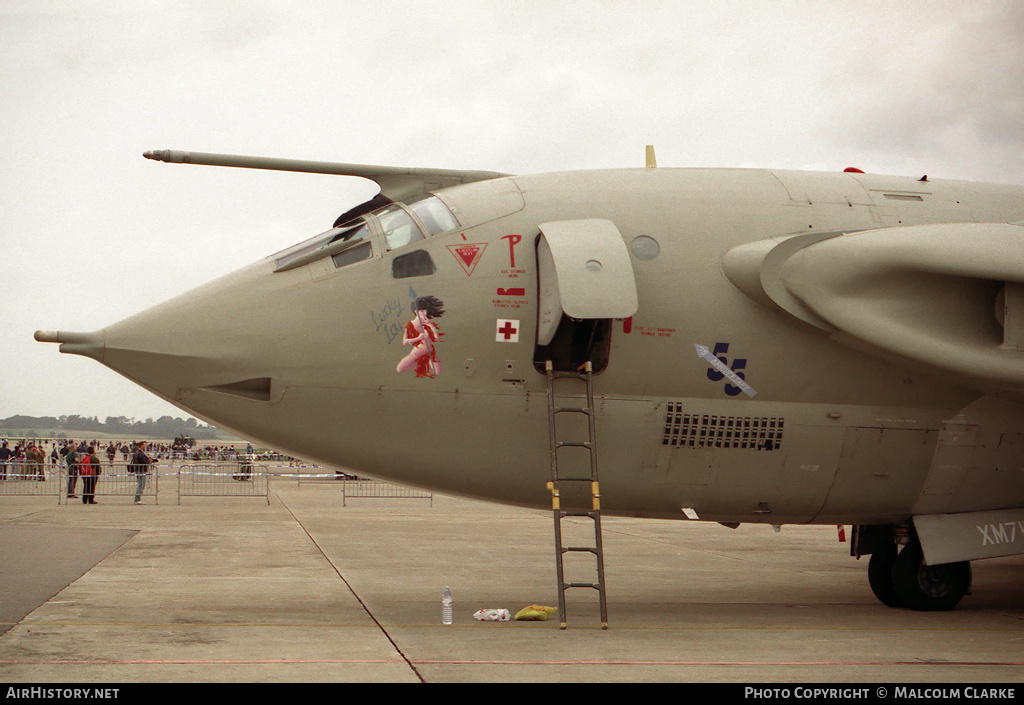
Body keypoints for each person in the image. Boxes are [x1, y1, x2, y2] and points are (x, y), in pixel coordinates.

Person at [396, 295, 445, 378]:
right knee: (400, 369)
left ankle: (421, 362)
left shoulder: (428, 323)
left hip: (430, 353)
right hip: (417, 353)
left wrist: (431, 326)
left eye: (425, 310)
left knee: (437, 371)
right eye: (421, 311)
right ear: (416, 311)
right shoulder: (410, 324)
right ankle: (417, 362)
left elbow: (437, 338)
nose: (424, 313)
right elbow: (405, 342)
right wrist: (418, 338)